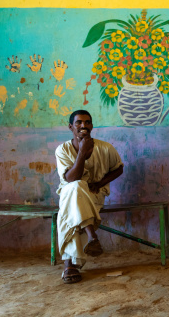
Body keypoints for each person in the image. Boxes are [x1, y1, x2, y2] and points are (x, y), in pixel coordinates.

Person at [55, 110, 124, 284]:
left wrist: (100, 184)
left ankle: (69, 265)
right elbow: (71, 178)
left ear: (92, 126)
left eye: (87, 122)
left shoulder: (105, 148)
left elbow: (119, 168)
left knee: (71, 206)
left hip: (95, 196)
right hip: (69, 195)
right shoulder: (62, 150)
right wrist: (82, 152)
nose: (83, 126)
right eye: (78, 123)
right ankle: (91, 234)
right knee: (75, 188)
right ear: (71, 127)